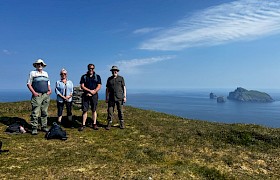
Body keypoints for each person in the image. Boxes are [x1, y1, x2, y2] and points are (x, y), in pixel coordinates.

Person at [27, 59, 52, 135]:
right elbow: (28, 84)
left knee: (44, 111)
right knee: (35, 112)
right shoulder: (32, 73)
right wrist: (34, 93)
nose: (40, 65)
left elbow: (48, 83)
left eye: (41, 64)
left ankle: (44, 126)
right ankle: (34, 127)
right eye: (38, 64)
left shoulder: (46, 73)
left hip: (45, 95)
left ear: (43, 65)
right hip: (37, 95)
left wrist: (49, 91)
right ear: (36, 65)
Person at [79, 64, 101, 131]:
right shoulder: (84, 76)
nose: (91, 69)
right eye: (90, 68)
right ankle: (83, 124)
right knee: (85, 110)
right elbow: (82, 86)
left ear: (94, 69)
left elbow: (99, 85)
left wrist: (93, 92)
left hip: (94, 95)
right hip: (86, 95)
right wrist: (89, 91)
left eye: (92, 68)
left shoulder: (97, 76)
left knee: (94, 110)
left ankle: (94, 124)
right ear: (88, 68)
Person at [105, 66, 126, 130]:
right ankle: (109, 123)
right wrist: (106, 97)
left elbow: (124, 88)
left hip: (120, 97)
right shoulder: (109, 79)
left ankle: (121, 123)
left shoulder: (121, 78)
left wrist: (125, 96)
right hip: (111, 98)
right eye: (113, 70)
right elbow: (107, 89)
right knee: (110, 111)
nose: (114, 71)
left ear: (117, 71)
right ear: (111, 71)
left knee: (120, 111)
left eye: (116, 70)